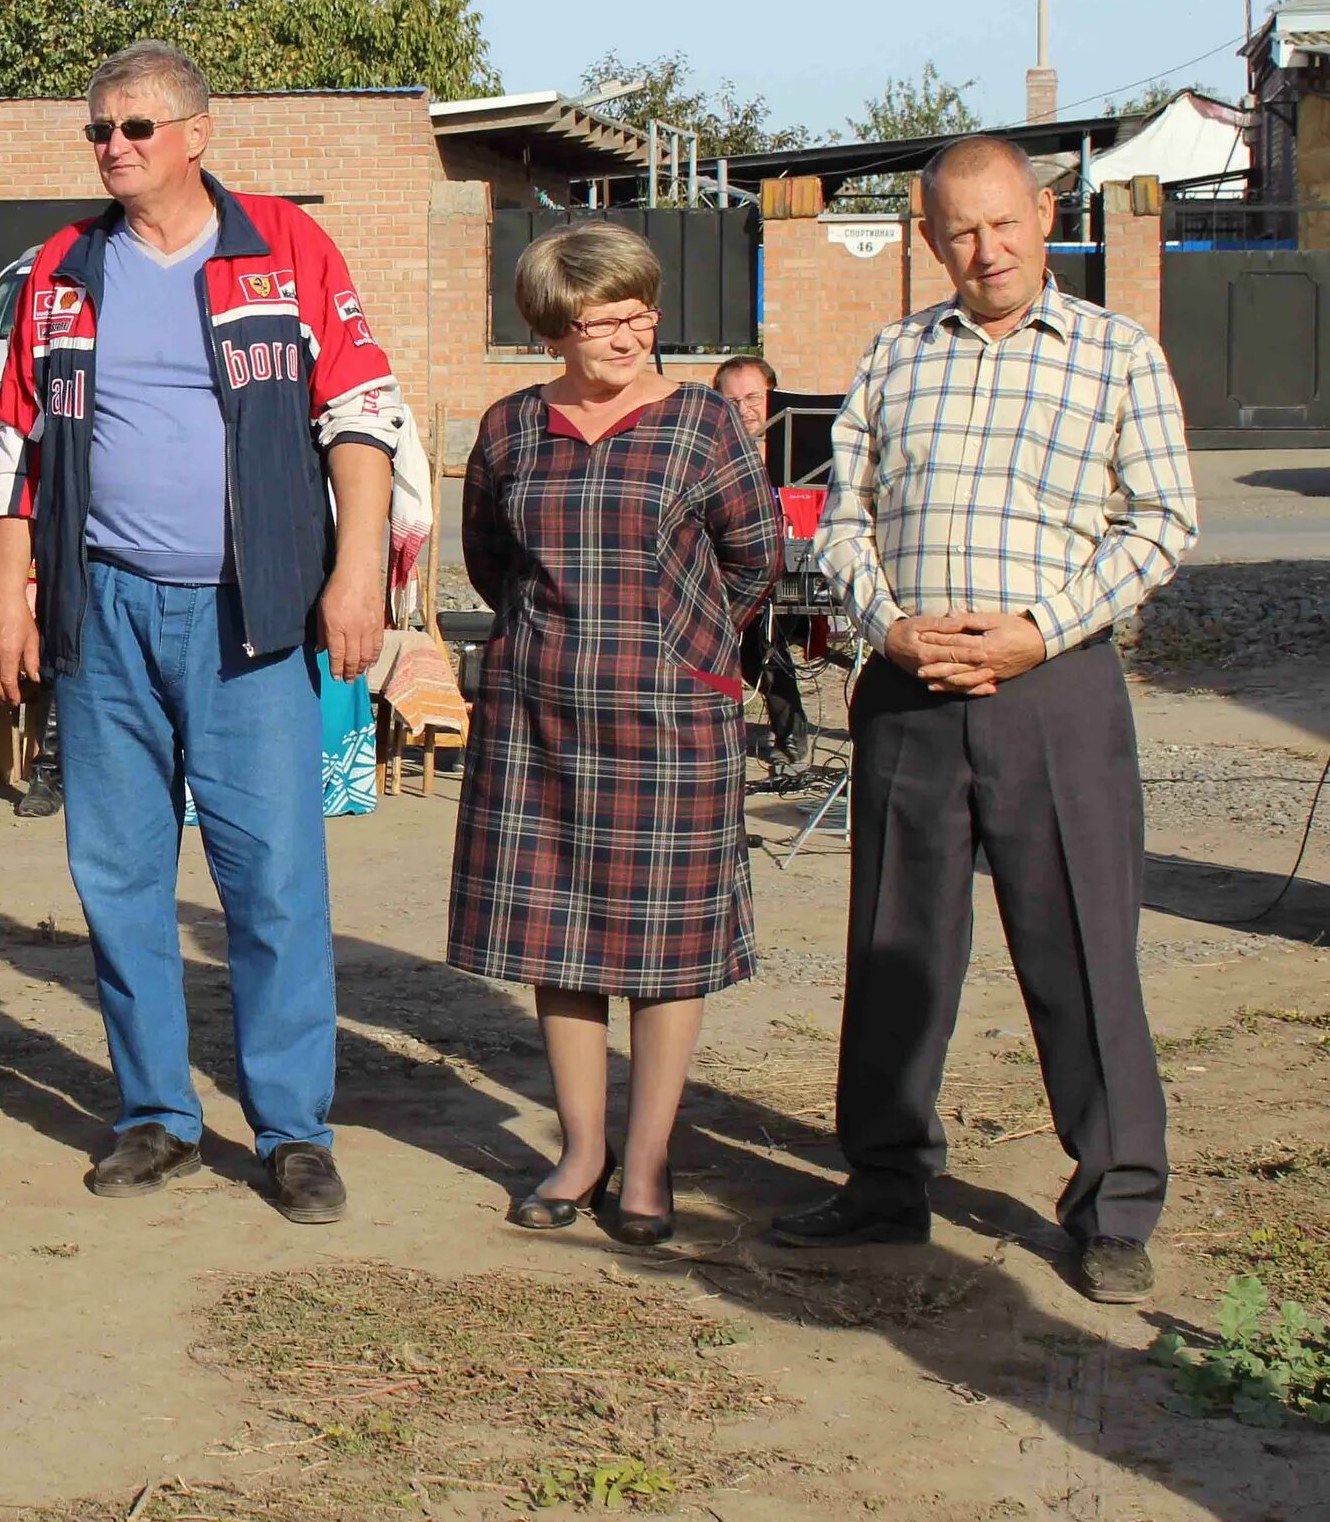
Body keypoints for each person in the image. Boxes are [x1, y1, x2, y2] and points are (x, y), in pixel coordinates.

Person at [0, 40, 428, 1222]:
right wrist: (11, 594)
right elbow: (17, 444)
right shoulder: (63, 269)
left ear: (196, 132)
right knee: (118, 874)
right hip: (105, 608)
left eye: (134, 127)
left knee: (271, 877)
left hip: (253, 608)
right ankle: (156, 1113)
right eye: (98, 130)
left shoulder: (284, 246)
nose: (113, 147)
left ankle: (291, 1129)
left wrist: (357, 570)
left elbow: (361, 416)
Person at [776, 136, 1196, 1305]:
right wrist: (888, 623)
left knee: (1081, 950)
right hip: (909, 689)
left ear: (1045, 213)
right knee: (897, 945)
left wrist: (1038, 626)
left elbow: (1160, 522)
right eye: (960, 230)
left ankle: (1114, 1198)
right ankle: (885, 1176)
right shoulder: (895, 356)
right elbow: (839, 514)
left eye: (1005, 223)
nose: (986, 249)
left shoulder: (1116, 354)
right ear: (927, 237)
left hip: (1051, 685)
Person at [450, 224, 782, 1244]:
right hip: (540, 720)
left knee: (665, 952)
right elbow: (489, 559)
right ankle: (581, 1148)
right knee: (562, 939)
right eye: (608, 320)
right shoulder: (510, 429)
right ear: (556, 325)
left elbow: (754, 555)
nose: (633, 334)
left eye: (644, 314)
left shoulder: (703, 424)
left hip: (672, 722)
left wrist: (681, 652)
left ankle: (647, 1161)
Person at [712, 353, 809, 767]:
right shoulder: (711, 455)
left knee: (768, 640)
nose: (744, 410)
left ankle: (792, 736)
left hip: (788, 571)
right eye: (731, 402)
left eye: (753, 397)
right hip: (728, 575)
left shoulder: (797, 455)